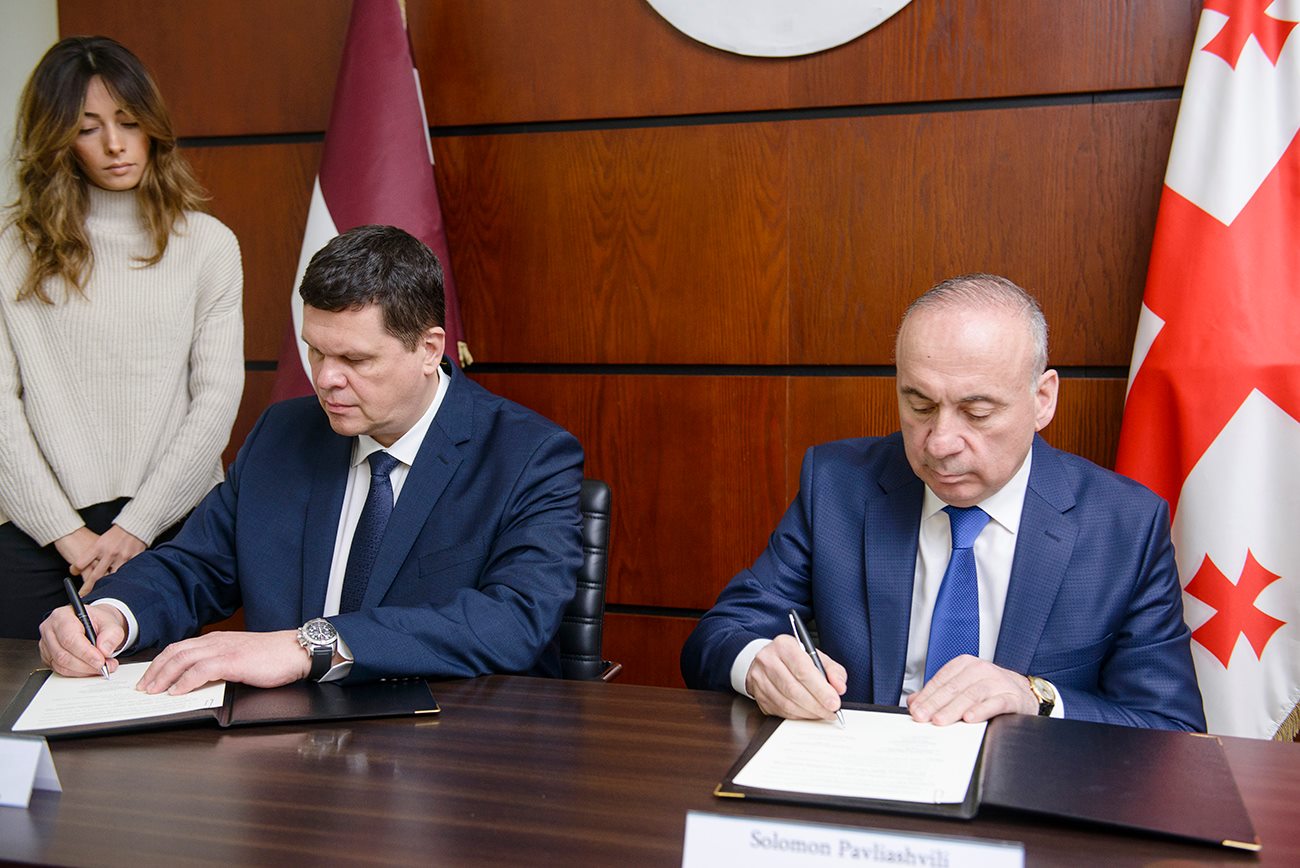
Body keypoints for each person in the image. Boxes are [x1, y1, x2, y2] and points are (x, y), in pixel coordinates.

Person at [38, 224, 584, 694]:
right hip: (289, 740)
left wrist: (311, 646)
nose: (325, 379)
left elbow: (514, 620)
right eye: (316, 350)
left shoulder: (528, 457)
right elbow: (195, 565)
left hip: (449, 743)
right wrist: (113, 613)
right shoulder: (282, 433)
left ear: (429, 349)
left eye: (354, 359)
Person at [681, 274, 1205, 732]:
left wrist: (1037, 699)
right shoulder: (838, 487)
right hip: (861, 784)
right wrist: (757, 664)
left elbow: (1169, 727)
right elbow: (719, 635)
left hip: (1026, 796)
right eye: (920, 405)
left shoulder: (1125, 525)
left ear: (1042, 399)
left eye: (977, 412)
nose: (939, 443)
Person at [0, 36, 243, 639]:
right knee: (29, 693)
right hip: (39, 530)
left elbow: (215, 401)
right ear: (58, 139)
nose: (115, 144)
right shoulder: (10, 251)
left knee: (165, 693)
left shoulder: (208, 245)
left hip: (172, 523)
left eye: (129, 122)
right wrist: (68, 535)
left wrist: (137, 526)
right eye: (88, 128)